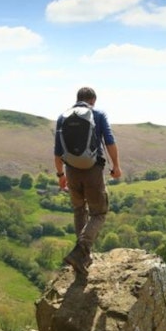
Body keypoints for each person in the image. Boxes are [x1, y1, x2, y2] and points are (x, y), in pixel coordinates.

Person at [53, 86, 121, 274]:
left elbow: (58, 151)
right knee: (98, 213)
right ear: (93, 100)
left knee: (78, 209)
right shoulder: (98, 114)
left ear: (77, 99)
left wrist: (60, 175)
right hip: (93, 170)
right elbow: (109, 141)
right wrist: (116, 166)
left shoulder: (63, 117)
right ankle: (81, 251)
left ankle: (83, 257)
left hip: (71, 170)